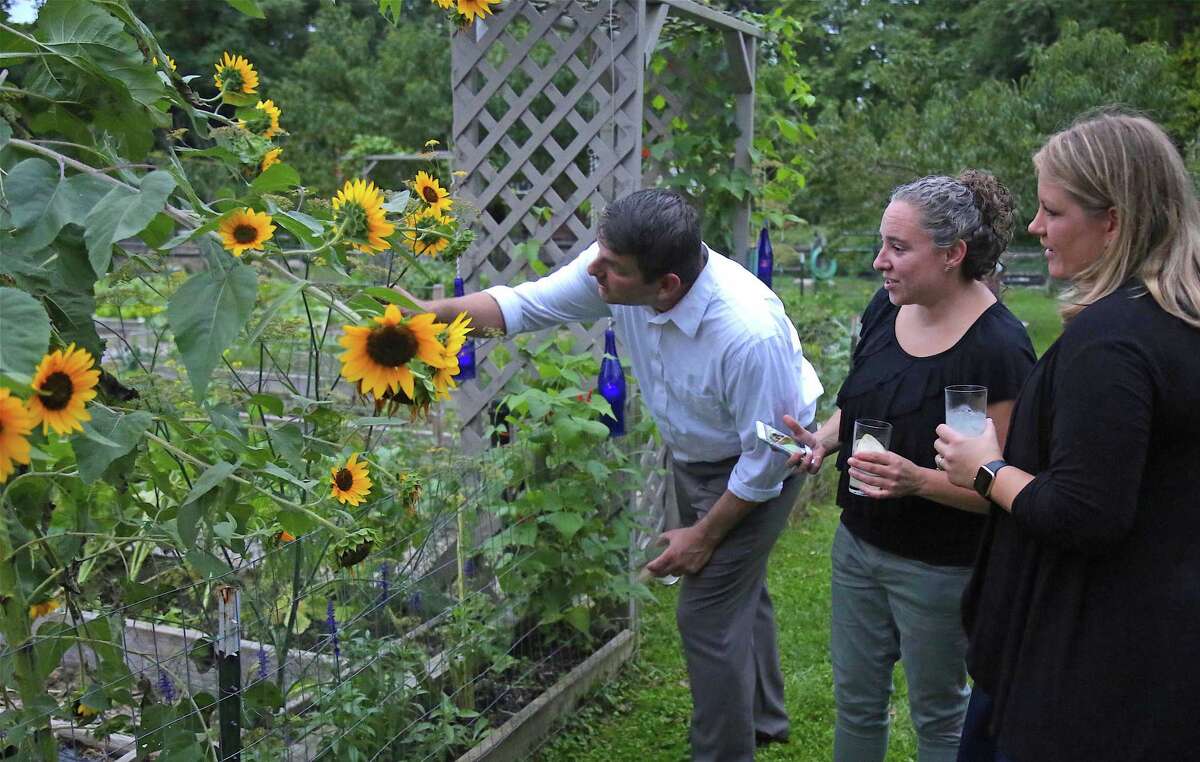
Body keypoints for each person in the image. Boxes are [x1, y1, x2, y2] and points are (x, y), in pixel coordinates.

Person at [417, 189, 824, 761]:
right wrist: (423, 316)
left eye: (612, 268)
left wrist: (702, 535)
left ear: (667, 287)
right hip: (699, 452)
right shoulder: (622, 266)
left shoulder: (747, 332)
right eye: (599, 255)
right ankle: (763, 716)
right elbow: (523, 306)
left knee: (706, 615)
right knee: (737, 591)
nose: (594, 271)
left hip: (766, 460)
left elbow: (766, 462)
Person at [936, 113, 1200, 761]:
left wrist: (986, 467)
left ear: (1113, 220)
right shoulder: (1180, 320)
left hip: (1088, 672)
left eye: (1052, 211)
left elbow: (1086, 513)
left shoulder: (1111, 343)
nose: (1034, 226)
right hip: (1165, 654)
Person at [782, 172, 1036, 762]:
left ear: (952, 255)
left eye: (898, 248)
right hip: (858, 547)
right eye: (882, 244)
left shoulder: (994, 348)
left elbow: (1001, 486)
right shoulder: (886, 307)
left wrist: (916, 480)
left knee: (940, 717)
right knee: (857, 704)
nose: (879, 262)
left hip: (940, 569)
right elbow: (860, 402)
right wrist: (823, 441)